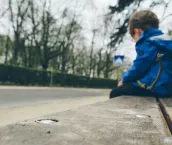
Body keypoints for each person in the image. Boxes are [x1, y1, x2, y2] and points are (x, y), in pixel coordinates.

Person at [110, 10, 172, 99]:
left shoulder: (148, 42)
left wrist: (123, 79)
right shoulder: (165, 41)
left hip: (156, 88)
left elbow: (138, 69)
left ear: (138, 31)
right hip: (168, 89)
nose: (135, 41)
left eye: (134, 38)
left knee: (116, 92)